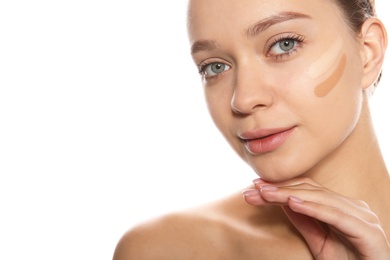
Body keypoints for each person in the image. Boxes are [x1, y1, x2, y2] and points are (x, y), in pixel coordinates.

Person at [113, 0, 390, 258]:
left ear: (368, 52)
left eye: (284, 44)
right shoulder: (166, 250)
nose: (242, 99)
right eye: (215, 67)